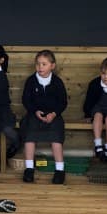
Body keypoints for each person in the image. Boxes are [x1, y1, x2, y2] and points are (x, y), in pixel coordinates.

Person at [20, 49, 69, 184]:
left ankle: (59, 170)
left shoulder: (57, 82)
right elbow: (26, 100)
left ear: (52, 66)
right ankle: (29, 169)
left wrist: (54, 113)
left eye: (44, 64)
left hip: (53, 115)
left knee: (56, 138)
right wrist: (35, 111)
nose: (40, 67)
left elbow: (63, 102)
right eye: (38, 64)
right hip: (34, 113)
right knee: (29, 135)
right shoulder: (31, 81)